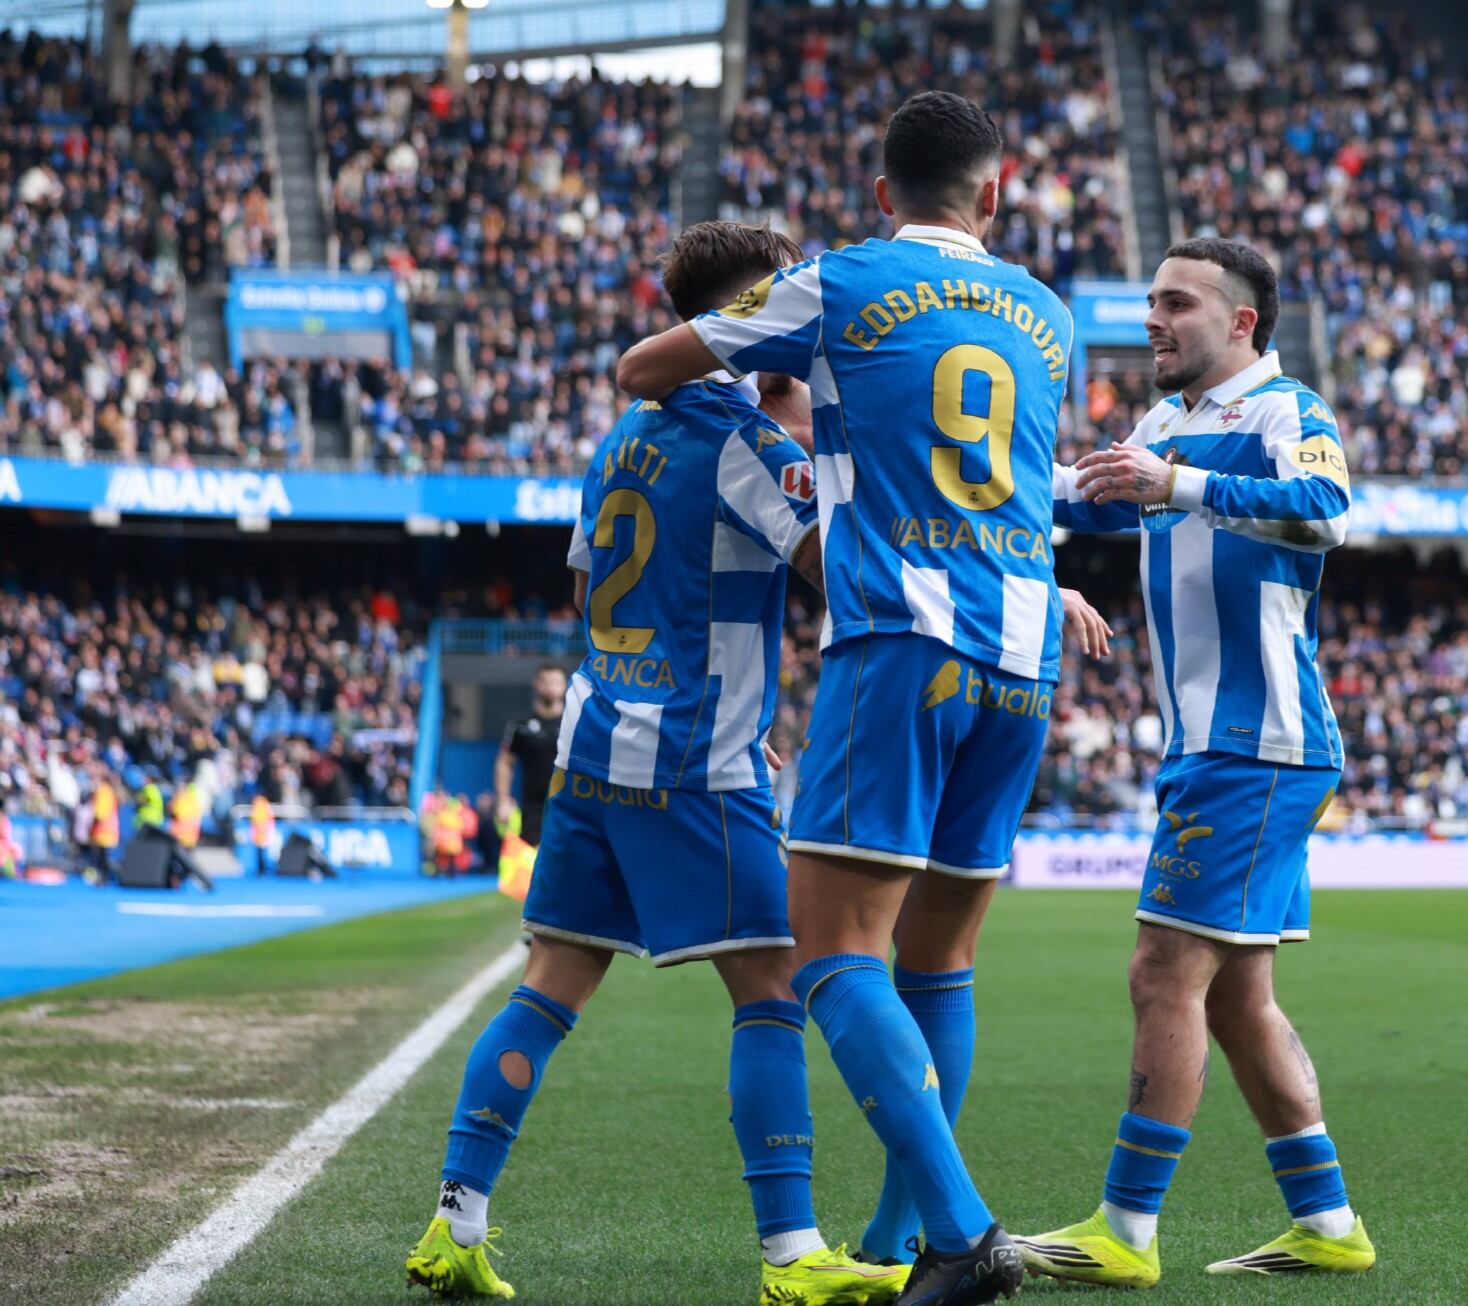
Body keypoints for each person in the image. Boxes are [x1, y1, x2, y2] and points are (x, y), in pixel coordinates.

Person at [619, 91, 1110, 1306]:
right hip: (1018, 659)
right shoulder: (1049, 318)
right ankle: (898, 1244)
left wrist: (756, 336)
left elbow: (647, 365)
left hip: (896, 642)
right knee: (941, 960)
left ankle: (960, 1229)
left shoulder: (835, 278)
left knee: (834, 949)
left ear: (883, 192)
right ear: (994, 195)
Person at [406, 220, 908, 1306]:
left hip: (593, 742)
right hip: (695, 754)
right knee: (771, 987)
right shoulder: (745, 439)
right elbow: (837, 573)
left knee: (550, 984)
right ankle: (791, 1255)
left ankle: (457, 1221)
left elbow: (590, 590)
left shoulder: (625, 431)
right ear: (750, 314)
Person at [1019, 238, 1375, 1285]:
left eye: (1175, 302)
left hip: (1254, 740)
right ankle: (1327, 1219)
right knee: (1233, 996)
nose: (1153, 320)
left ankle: (1123, 1231)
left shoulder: (1285, 411)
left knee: (1161, 973)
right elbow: (1095, 490)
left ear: (1241, 322)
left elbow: (1328, 512)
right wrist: (986, 479)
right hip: (1215, 744)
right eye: (1149, 302)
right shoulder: (1167, 419)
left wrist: (1172, 483)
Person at [493, 665, 566, 850]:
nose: (551, 687)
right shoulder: (520, 723)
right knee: (531, 862)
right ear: (537, 685)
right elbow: (504, 762)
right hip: (532, 806)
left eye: (556, 682)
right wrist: (503, 800)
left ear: (565, 685)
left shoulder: (574, 722)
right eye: (546, 682)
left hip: (566, 803)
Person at [249, 792, 276, 876]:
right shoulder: (264, 805)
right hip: (262, 833)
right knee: (261, 853)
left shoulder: (260, 805)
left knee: (261, 853)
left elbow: (256, 820)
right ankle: (262, 869)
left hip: (262, 833)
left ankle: (262, 869)